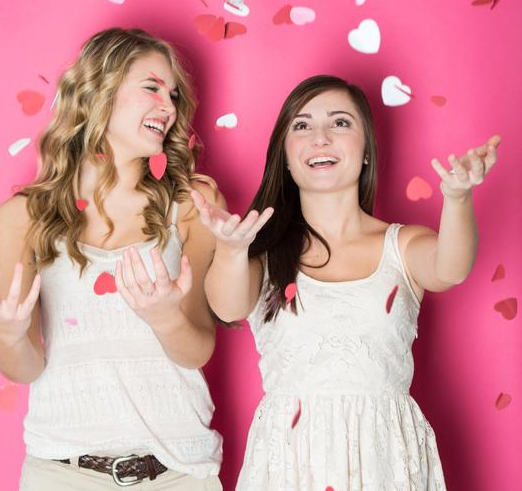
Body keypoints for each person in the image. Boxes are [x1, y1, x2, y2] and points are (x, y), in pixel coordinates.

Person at [0, 28, 224, 490]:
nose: (169, 107)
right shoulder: (23, 217)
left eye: (174, 95)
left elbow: (196, 350)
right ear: (100, 90)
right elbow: (24, 367)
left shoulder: (193, 204)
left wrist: (165, 318)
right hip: (61, 473)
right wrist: (8, 335)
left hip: (178, 474)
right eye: (152, 87)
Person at [191, 75, 499, 490]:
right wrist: (230, 249)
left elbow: (451, 267)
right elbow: (226, 305)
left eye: (340, 123)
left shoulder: (401, 245)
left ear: (367, 149)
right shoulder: (263, 255)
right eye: (302, 125)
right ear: (285, 156)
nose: (320, 137)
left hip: (384, 462)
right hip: (290, 465)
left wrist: (458, 197)